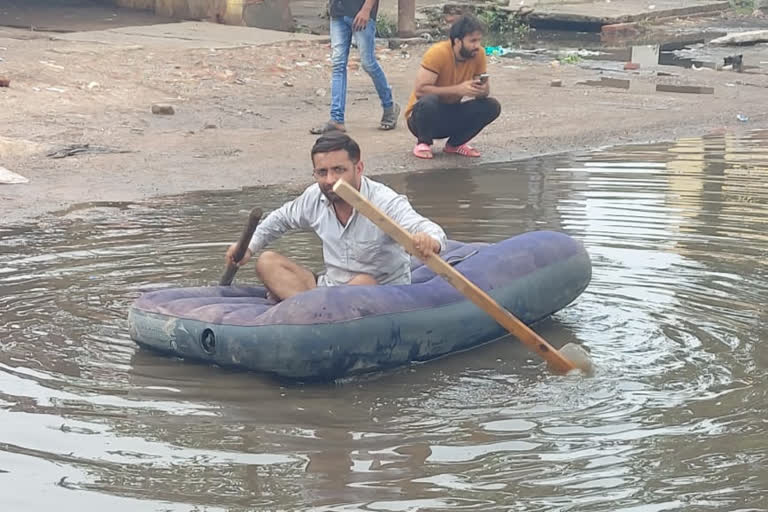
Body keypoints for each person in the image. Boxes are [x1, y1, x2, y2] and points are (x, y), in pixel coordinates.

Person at [226, 132, 446, 302]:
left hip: (382, 294)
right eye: (322, 172)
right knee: (267, 262)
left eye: (339, 170)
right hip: (329, 289)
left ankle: (306, 307)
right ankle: (315, 308)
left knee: (363, 282)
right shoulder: (315, 197)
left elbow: (425, 227)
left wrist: (429, 241)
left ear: (358, 168)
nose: (330, 180)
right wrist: (249, 247)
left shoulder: (384, 201)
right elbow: (279, 219)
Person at [404, 15, 502, 159]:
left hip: (450, 113)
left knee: (492, 106)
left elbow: (484, 92)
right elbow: (420, 91)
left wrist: (481, 90)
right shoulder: (438, 52)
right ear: (457, 41)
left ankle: (455, 144)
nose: (477, 45)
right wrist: (458, 89)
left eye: (479, 40)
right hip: (421, 120)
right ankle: (423, 143)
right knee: (428, 101)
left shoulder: (478, 54)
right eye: (472, 41)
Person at [310, 0, 400, 135]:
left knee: (368, 63)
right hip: (338, 12)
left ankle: (389, 106)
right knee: (338, 64)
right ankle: (336, 119)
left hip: (360, 12)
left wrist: (366, 9)